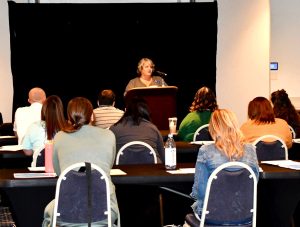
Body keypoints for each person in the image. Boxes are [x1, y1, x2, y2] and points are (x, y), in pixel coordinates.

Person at [42, 97, 119, 227]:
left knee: (48, 214)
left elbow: (60, 172)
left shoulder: (60, 137)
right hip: (104, 211)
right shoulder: (109, 135)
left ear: (69, 117)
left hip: (66, 210)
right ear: (92, 117)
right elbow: (108, 166)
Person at [185, 109, 259, 226]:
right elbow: (254, 183)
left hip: (211, 216)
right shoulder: (251, 150)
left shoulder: (205, 151)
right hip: (244, 216)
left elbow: (200, 191)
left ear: (213, 128)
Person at [109, 96, 164, 163]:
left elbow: (108, 156)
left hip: (123, 171)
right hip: (151, 171)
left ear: (126, 111)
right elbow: (164, 157)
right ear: (146, 111)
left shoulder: (114, 129)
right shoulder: (153, 129)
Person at [22, 95, 66, 166]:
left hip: (39, 172)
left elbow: (28, 152)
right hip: (62, 172)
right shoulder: (68, 128)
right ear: (61, 110)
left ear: (43, 109)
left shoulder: (34, 126)